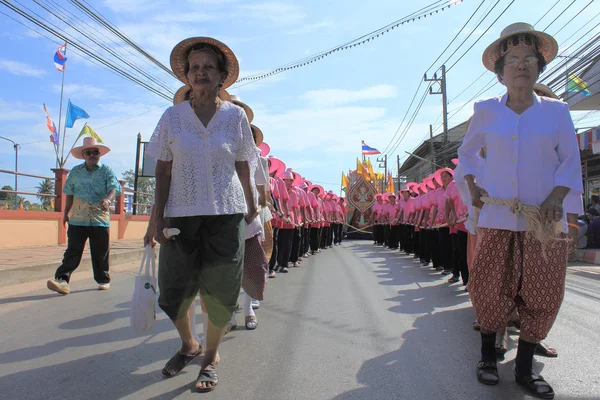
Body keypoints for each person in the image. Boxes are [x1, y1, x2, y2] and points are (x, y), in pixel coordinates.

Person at [458, 23, 582, 398]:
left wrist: (559, 197)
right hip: (496, 218)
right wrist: (472, 184)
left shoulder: (557, 112)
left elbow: (570, 160)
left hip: (543, 223)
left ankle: (526, 368)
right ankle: (487, 358)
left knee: (544, 294)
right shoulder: (485, 112)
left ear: (539, 66)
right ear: (500, 70)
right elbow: (466, 155)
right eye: (513, 59)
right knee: (490, 289)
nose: (522, 65)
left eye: (530, 58)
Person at [143, 37, 258, 393]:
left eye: (208, 66)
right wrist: (156, 218)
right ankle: (188, 345)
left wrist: (253, 207)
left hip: (226, 215)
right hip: (180, 214)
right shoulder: (171, 118)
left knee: (221, 291)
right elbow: (162, 170)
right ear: (186, 76)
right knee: (173, 291)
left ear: (222, 76)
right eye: (194, 67)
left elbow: (244, 165)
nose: (200, 72)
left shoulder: (235, 117)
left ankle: (209, 357)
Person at [47, 137, 121, 295]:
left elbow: (114, 188)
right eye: (89, 152)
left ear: (99, 155)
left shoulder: (106, 170)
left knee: (100, 252)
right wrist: (66, 212)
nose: (92, 155)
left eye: (96, 152)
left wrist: (108, 200)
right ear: (83, 155)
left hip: (99, 220)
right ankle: (62, 280)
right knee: (72, 251)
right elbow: (69, 193)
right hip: (78, 219)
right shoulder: (75, 172)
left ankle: (103, 280)